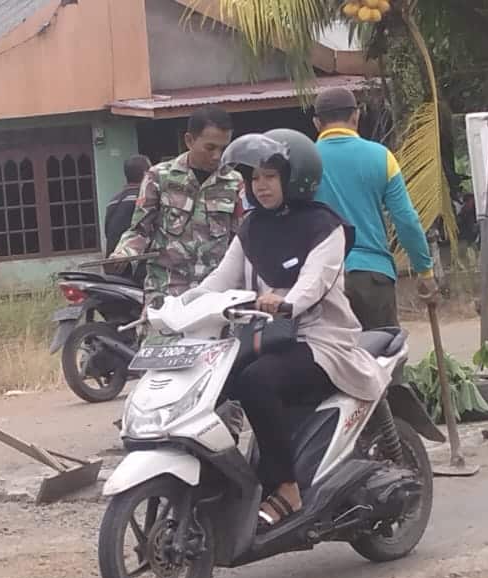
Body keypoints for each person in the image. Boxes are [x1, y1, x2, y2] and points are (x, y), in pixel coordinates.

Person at [197, 130, 385, 528]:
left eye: (269, 176)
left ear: (294, 178)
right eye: (254, 178)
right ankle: (220, 482)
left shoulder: (324, 227)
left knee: (256, 383)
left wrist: (286, 301)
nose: (259, 186)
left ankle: (286, 488)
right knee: (210, 382)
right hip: (269, 338)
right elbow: (221, 278)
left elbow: (314, 282)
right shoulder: (251, 228)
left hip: (321, 342)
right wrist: (179, 305)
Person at [312, 87, 438, 329]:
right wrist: (425, 272)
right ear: (356, 116)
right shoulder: (381, 157)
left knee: (331, 362)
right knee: (383, 358)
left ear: (317, 123)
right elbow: (406, 220)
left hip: (322, 279)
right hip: (372, 276)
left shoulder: (303, 162)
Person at [109, 107, 244, 301]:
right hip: (166, 289)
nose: (217, 156)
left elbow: (241, 238)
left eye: (224, 149)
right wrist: (124, 253)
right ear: (189, 140)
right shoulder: (158, 177)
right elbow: (140, 230)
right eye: (210, 148)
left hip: (215, 293)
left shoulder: (234, 183)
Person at [103, 154, 152, 274]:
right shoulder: (148, 200)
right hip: (138, 272)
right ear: (146, 174)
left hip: (114, 269)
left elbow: (107, 232)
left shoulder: (113, 202)